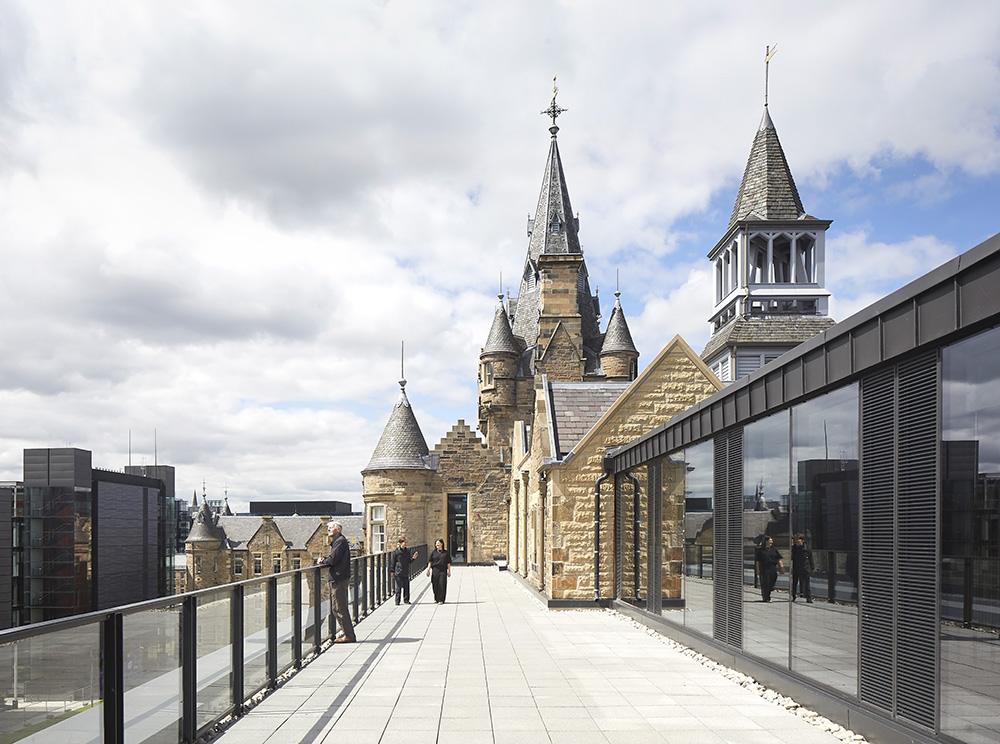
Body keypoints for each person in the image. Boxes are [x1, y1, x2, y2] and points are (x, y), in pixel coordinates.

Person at [318, 521, 356, 643]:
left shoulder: (340, 541)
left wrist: (323, 562)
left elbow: (333, 559)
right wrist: (325, 559)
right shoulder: (338, 541)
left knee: (340, 608)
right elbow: (333, 557)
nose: (328, 529)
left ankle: (349, 635)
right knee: (336, 608)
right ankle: (347, 633)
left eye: (331, 527)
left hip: (339, 578)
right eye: (328, 527)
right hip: (338, 578)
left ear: (338, 530)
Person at [754, 535, 784, 602]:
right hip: (764, 568)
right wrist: (758, 569)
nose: (771, 542)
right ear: (766, 541)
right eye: (769, 541)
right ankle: (766, 597)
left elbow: (778, 559)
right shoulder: (760, 550)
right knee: (766, 583)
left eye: (771, 541)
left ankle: (768, 593)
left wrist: (781, 567)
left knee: (772, 581)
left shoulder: (774, 550)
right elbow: (758, 561)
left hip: (772, 567)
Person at [392, 536, 418, 605]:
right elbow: (393, 562)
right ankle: (397, 601)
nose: (406, 544)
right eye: (404, 542)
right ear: (401, 543)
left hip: (405, 571)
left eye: (406, 542)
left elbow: (409, 561)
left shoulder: (407, 551)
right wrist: (392, 571)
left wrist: (413, 558)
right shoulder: (396, 552)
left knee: (406, 586)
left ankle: (406, 600)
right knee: (398, 587)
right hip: (398, 571)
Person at [426, 538, 452, 604]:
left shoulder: (446, 553)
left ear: (442, 544)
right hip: (435, 570)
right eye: (436, 543)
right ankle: (436, 598)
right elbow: (430, 562)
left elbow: (448, 562)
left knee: (442, 584)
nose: (437, 544)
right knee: (435, 584)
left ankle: (441, 599)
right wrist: (428, 570)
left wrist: (449, 571)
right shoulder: (433, 552)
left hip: (443, 570)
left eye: (438, 543)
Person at [791, 532, 814, 603]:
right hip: (796, 568)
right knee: (794, 583)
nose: (796, 541)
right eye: (795, 539)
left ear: (802, 540)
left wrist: (812, 568)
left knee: (806, 583)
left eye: (797, 539)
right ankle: (794, 595)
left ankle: (808, 597)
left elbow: (811, 559)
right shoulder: (793, 548)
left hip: (805, 568)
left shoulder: (807, 548)